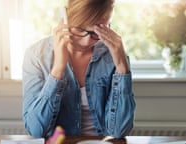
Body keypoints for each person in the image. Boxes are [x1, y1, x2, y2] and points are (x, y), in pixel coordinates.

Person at [22, 0, 136, 139]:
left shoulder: (113, 55)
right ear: (65, 19)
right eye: (80, 29)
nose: (86, 41)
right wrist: (58, 69)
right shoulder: (36, 56)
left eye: (98, 31)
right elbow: (36, 130)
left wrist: (122, 68)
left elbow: (118, 132)